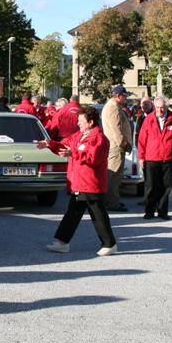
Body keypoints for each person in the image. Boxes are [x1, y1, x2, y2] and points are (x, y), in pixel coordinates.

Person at [38, 106, 117, 256]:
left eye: (81, 121)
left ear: (91, 122)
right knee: (72, 214)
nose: (78, 123)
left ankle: (109, 244)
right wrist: (50, 144)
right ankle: (62, 242)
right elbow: (65, 144)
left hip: (92, 184)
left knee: (98, 216)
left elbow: (93, 158)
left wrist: (73, 153)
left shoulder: (99, 138)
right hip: (80, 183)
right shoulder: (80, 135)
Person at [137, 96, 172, 220]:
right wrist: (141, 158)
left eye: (162, 108)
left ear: (167, 107)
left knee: (165, 186)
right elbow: (142, 140)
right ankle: (149, 211)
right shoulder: (148, 119)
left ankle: (163, 211)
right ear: (154, 107)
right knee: (151, 186)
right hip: (151, 158)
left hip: (167, 158)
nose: (160, 110)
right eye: (158, 107)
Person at [101, 85, 134, 211]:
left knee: (115, 175)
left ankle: (113, 200)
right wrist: (123, 144)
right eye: (124, 96)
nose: (125, 98)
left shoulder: (113, 106)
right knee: (113, 176)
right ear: (118, 96)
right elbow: (116, 129)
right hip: (115, 146)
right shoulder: (113, 108)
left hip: (115, 145)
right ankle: (111, 202)